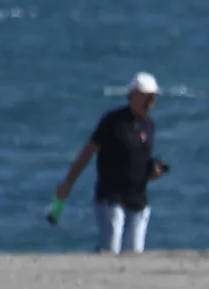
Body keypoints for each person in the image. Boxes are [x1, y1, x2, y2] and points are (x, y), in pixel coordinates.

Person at [55, 72, 170, 254]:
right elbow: (87, 153)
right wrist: (68, 183)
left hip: (138, 198)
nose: (150, 103)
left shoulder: (149, 125)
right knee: (110, 249)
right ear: (133, 96)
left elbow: (140, 159)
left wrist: (152, 171)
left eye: (153, 98)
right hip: (111, 196)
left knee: (134, 253)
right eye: (147, 97)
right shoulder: (113, 122)